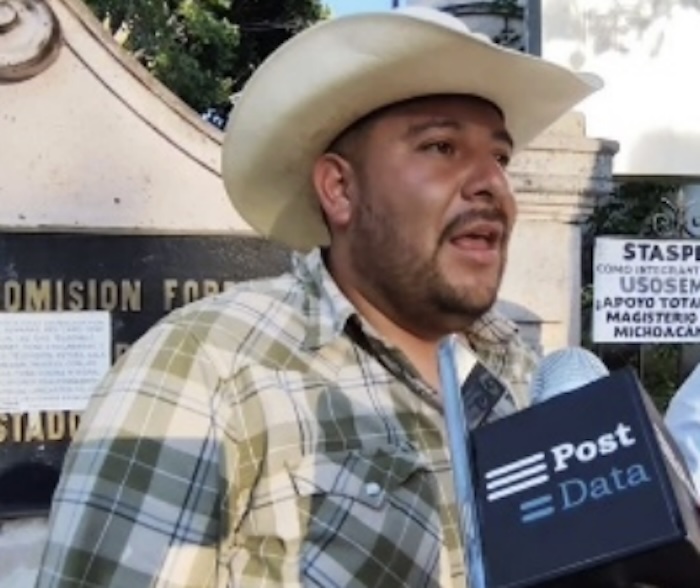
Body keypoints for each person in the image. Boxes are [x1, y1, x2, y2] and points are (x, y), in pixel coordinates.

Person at [35, 7, 601, 588]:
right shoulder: (209, 368)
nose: (492, 184)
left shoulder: (520, 373)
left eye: (500, 157)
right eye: (440, 147)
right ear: (339, 188)